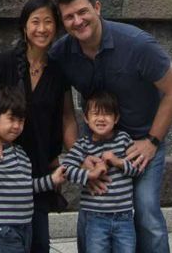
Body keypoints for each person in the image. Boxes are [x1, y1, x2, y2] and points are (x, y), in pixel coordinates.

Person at [49, 0, 172, 253]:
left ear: (97, 8)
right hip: (96, 144)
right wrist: (81, 154)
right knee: (89, 210)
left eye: (82, 12)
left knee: (146, 210)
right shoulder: (61, 54)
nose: (78, 21)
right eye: (69, 17)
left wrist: (152, 141)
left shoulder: (137, 44)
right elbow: (66, 115)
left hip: (142, 141)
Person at [0, 0, 77, 253]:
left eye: (48, 22)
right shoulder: (2, 63)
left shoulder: (58, 72)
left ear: (57, 28)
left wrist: (77, 155)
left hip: (35, 168)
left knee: (37, 243)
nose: (42, 28)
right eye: (35, 21)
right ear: (24, 27)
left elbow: (67, 117)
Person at [0, 84, 66, 253]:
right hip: (2, 229)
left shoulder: (21, 153)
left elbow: (27, 186)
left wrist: (52, 180)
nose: (17, 126)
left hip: (25, 227)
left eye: (21, 120)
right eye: (11, 119)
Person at [64, 91, 139, 253]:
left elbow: (137, 168)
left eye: (107, 114)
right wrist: (89, 175)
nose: (101, 118)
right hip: (95, 217)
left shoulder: (124, 139)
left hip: (124, 217)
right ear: (86, 118)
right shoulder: (83, 145)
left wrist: (118, 162)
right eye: (95, 114)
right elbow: (66, 170)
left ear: (116, 118)